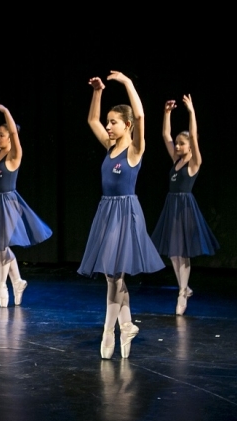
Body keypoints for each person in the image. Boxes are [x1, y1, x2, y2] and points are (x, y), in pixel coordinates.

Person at [79, 71, 164, 359]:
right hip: (106, 212)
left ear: (126, 125)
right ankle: (126, 326)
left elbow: (140, 118)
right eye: (108, 122)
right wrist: (98, 92)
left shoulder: (134, 150)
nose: (108, 126)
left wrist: (128, 83)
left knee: (114, 277)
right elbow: (91, 120)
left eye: (113, 122)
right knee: (113, 278)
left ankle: (108, 333)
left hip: (125, 213)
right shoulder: (110, 146)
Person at [0, 102, 52, 307]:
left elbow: (15, 135)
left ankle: (1, 286)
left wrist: (6, 111)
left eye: (1, 135)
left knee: (1, 246)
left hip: (9, 203)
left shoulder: (14, 155)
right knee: (1, 247)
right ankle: (17, 281)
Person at [151, 95, 219, 315]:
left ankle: (181, 293)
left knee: (183, 251)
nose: (178, 146)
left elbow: (195, 140)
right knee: (173, 253)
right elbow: (164, 134)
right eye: (177, 143)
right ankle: (185, 287)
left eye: (182, 144)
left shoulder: (194, 162)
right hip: (171, 206)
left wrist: (191, 112)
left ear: (190, 146)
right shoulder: (176, 160)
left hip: (185, 208)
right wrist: (167, 113)